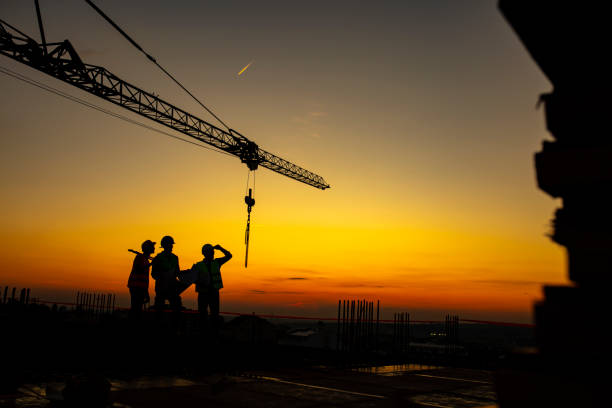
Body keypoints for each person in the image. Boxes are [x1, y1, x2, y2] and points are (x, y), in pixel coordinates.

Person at [192, 244, 232, 330]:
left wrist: (221, 248)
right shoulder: (198, 265)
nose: (212, 254)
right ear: (205, 253)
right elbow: (192, 278)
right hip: (203, 293)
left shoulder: (217, 262)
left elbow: (229, 256)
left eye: (212, 252)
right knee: (202, 315)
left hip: (214, 293)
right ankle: (203, 333)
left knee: (214, 315)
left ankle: (213, 334)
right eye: (211, 252)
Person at [151, 235, 182, 314]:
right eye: (170, 244)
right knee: (159, 309)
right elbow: (153, 274)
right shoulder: (158, 258)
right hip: (161, 287)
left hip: (172, 287)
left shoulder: (175, 258)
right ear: (165, 245)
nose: (172, 246)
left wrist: (187, 273)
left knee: (177, 308)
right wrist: (163, 275)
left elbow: (178, 273)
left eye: (172, 244)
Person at [127, 240, 155, 320]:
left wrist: (146, 292)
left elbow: (145, 278)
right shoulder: (140, 258)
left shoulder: (145, 259)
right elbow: (139, 269)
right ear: (148, 248)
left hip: (141, 287)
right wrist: (151, 264)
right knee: (135, 307)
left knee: (138, 308)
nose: (153, 248)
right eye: (152, 247)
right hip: (136, 286)